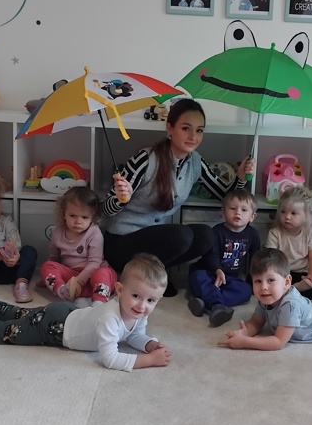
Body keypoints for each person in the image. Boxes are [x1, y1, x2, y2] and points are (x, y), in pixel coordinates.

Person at [0, 253, 171, 371]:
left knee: (15, 313)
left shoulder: (138, 313)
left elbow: (134, 335)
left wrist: (149, 344)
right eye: (136, 296)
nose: (142, 306)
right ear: (119, 290)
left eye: (151, 300)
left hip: (65, 313)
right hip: (52, 329)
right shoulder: (110, 318)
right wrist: (149, 361)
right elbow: (110, 358)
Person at [102, 98, 255, 296]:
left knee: (206, 236)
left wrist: (240, 177)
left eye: (199, 130)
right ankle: (150, 276)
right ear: (170, 128)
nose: (193, 136)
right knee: (180, 235)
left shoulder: (195, 162)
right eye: (186, 128)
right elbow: (106, 209)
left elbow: (225, 196)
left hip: (154, 243)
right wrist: (121, 198)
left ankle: (153, 274)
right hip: (122, 243)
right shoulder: (146, 159)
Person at [187, 188, 261, 327]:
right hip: (208, 272)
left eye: (244, 210)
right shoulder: (216, 232)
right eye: (233, 208)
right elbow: (211, 255)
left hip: (229, 278)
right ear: (223, 212)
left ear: (252, 216)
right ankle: (215, 305)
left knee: (246, 291)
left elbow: (256, 257)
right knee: (197, 277)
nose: (238, 212)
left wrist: (256, 279)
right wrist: (217, 270)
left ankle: (205, 302)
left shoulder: (252, 234)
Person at [39, 186, 117, 306]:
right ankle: (63, 292)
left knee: (104, 273)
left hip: (93, 275)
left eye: (84, 217)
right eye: (72, 216)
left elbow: (95, 263)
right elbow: (54, 259)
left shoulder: (94, 233)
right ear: (64, 214)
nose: (78, 221)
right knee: (46, 266)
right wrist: (50, 278)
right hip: (71, 278)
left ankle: (99, 302)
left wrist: (80, 281)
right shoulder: (58, 232)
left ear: (93, 218)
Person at [265, 186, 312, 301]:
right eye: (283, 212)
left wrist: (311, 276)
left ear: (306, 216)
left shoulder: (310, 233)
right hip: (281, 274)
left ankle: (287, 292)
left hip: (301, 275)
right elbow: (270, 260)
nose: (287, 217)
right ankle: (292, 291)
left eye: (293, 213)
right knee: (253, 280)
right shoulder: (275, 233)